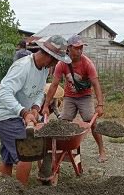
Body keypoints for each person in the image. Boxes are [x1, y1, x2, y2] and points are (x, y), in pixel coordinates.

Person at [0, 35, 71, 185]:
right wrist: (24, 113)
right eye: (56, 59)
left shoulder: (44, 69)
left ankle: (3, 191)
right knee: (26, 155)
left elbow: (40, 91)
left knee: (8, 155)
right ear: (49, 56)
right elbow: (3, 93)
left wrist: (35, 107)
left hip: (16, 113)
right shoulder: (23, 67)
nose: (56, 63)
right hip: (4, 114)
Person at [42, 34, 107, 163]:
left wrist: (100, 104)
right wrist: (46, 104)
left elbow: (96, 84)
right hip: (70, 98)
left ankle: (102, 150)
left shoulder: (87, 63)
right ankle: (65, 148)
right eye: (77, 48)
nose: (80, 50)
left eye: (81, 47)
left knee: (92, 123)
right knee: (63, 123)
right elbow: (54, 85)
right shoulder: (62, 64)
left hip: (85, 97)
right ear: (69, 48)